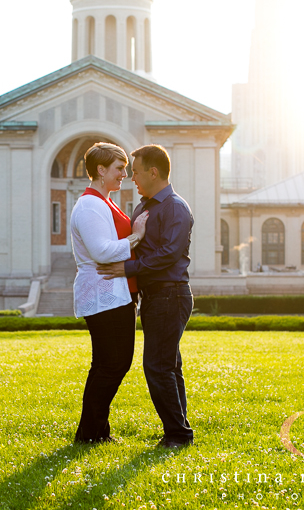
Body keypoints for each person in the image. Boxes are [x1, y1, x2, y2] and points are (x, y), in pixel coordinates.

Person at [97, 144, 195, 449]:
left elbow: (168, 254)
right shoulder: (143, 207)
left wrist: (127, 268)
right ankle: (178, 429)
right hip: (153, 297)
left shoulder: (175, 207)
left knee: (158, 366)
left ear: (154, 172)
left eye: (136, 172)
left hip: (171, 294)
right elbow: (137, 243)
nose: (131, 178)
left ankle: (178, 435)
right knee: (169, 365)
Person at [70, 142, 149, 443]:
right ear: (100, 170)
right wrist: (136, 237)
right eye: (119, 168)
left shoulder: (102, 201)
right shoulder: (90, 205)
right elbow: (102, 251)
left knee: (108, 363)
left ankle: (95, 432)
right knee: (113, 363)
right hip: (103, 293)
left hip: (113, 293)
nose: (124, 175)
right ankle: (90, 433)